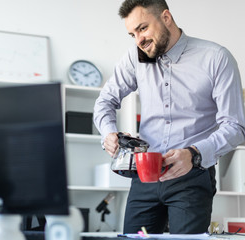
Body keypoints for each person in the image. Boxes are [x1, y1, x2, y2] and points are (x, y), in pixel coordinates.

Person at [93, 0, 245, 234]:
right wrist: (108, 133)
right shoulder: (135, 57)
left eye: (143, 28)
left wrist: (194, 154)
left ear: (166, 18)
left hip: (192, 175)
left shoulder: (217, 58)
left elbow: (235, 126)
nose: (139, 40)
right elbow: (105, 101)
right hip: (144, 176)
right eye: (132, 34)